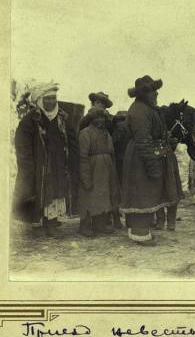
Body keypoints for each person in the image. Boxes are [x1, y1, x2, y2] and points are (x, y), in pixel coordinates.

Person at [121, 75, 183, 245]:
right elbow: (143, 141)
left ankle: (140, 231)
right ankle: (140, 233)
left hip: (144, 156)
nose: (156, 94)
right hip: (141, 158)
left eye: (156, 90)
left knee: (145, 192)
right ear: (143, 94)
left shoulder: (147, 109)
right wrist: (152, 165)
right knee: (142, 193)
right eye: (152, 91)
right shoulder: (140, 111)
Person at [12, 82, 78, 238]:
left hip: (57, 163)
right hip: (39, 164)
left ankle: (51, 222)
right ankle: (37, 224)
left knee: (56, 191)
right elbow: (22, 144)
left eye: (54, 99)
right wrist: (28, 164)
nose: (51, 102)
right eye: (47, 99)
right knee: (38, 191)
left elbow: (70, 139)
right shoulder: (31, 119)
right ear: (40, 100)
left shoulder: (62, 118)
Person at [78, 91, 123, 229]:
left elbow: (112, 151)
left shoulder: (107, 133)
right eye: (97, 118)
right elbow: (83, 157)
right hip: (92, 168)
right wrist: (85, 176)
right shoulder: (85, 133)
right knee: (89, 194)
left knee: (103, 195)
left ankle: (100, 224)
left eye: (102, 118)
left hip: (106, 168)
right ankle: (84, 225)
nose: (100, 121)